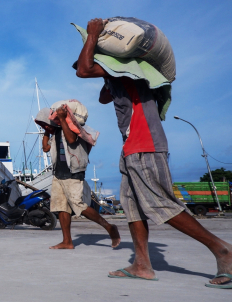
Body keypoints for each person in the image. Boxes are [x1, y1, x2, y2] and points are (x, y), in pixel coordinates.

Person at [75, 18, 232, 288]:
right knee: (132, 207)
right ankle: (142, 265)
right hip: (131, 146)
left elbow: (84, 70)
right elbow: (103, 96)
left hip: (144, 143)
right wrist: (107, 70)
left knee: (161, 204)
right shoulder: (121, 72)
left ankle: (223, 250)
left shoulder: (126, 68)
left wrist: (92, 35)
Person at [35, 105, 120, 250]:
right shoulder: (55, 133)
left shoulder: (70, 127)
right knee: (61, 207)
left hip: (73, 173)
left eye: (46, 124)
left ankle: (109, 227)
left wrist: (62, 119)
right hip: (58, 174)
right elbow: (45, 148)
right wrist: (46, 131)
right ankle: (67, 241)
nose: (47, 127)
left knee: (78, 205)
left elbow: (72, 140)